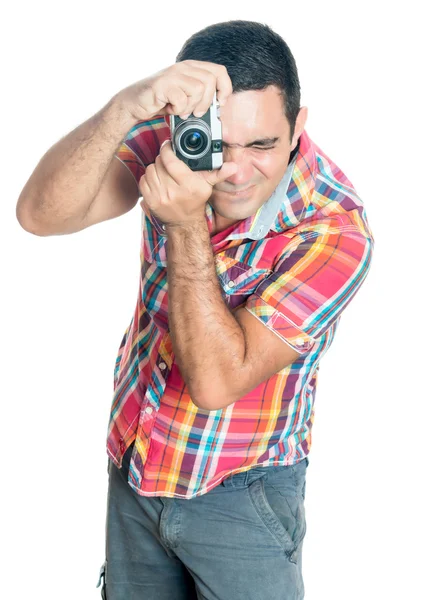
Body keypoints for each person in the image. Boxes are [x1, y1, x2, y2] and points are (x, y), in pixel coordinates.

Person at [16, 19, 374, 600]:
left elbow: (216, 382)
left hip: (242, 491)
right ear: (180, 125)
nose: (233, 171)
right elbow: (40, 215)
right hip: (138, 463)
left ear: (297, 127)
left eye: (261, 145)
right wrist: (120, 111)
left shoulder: (336, 234)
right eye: (216, 144)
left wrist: (184, 224)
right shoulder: (174, 145)